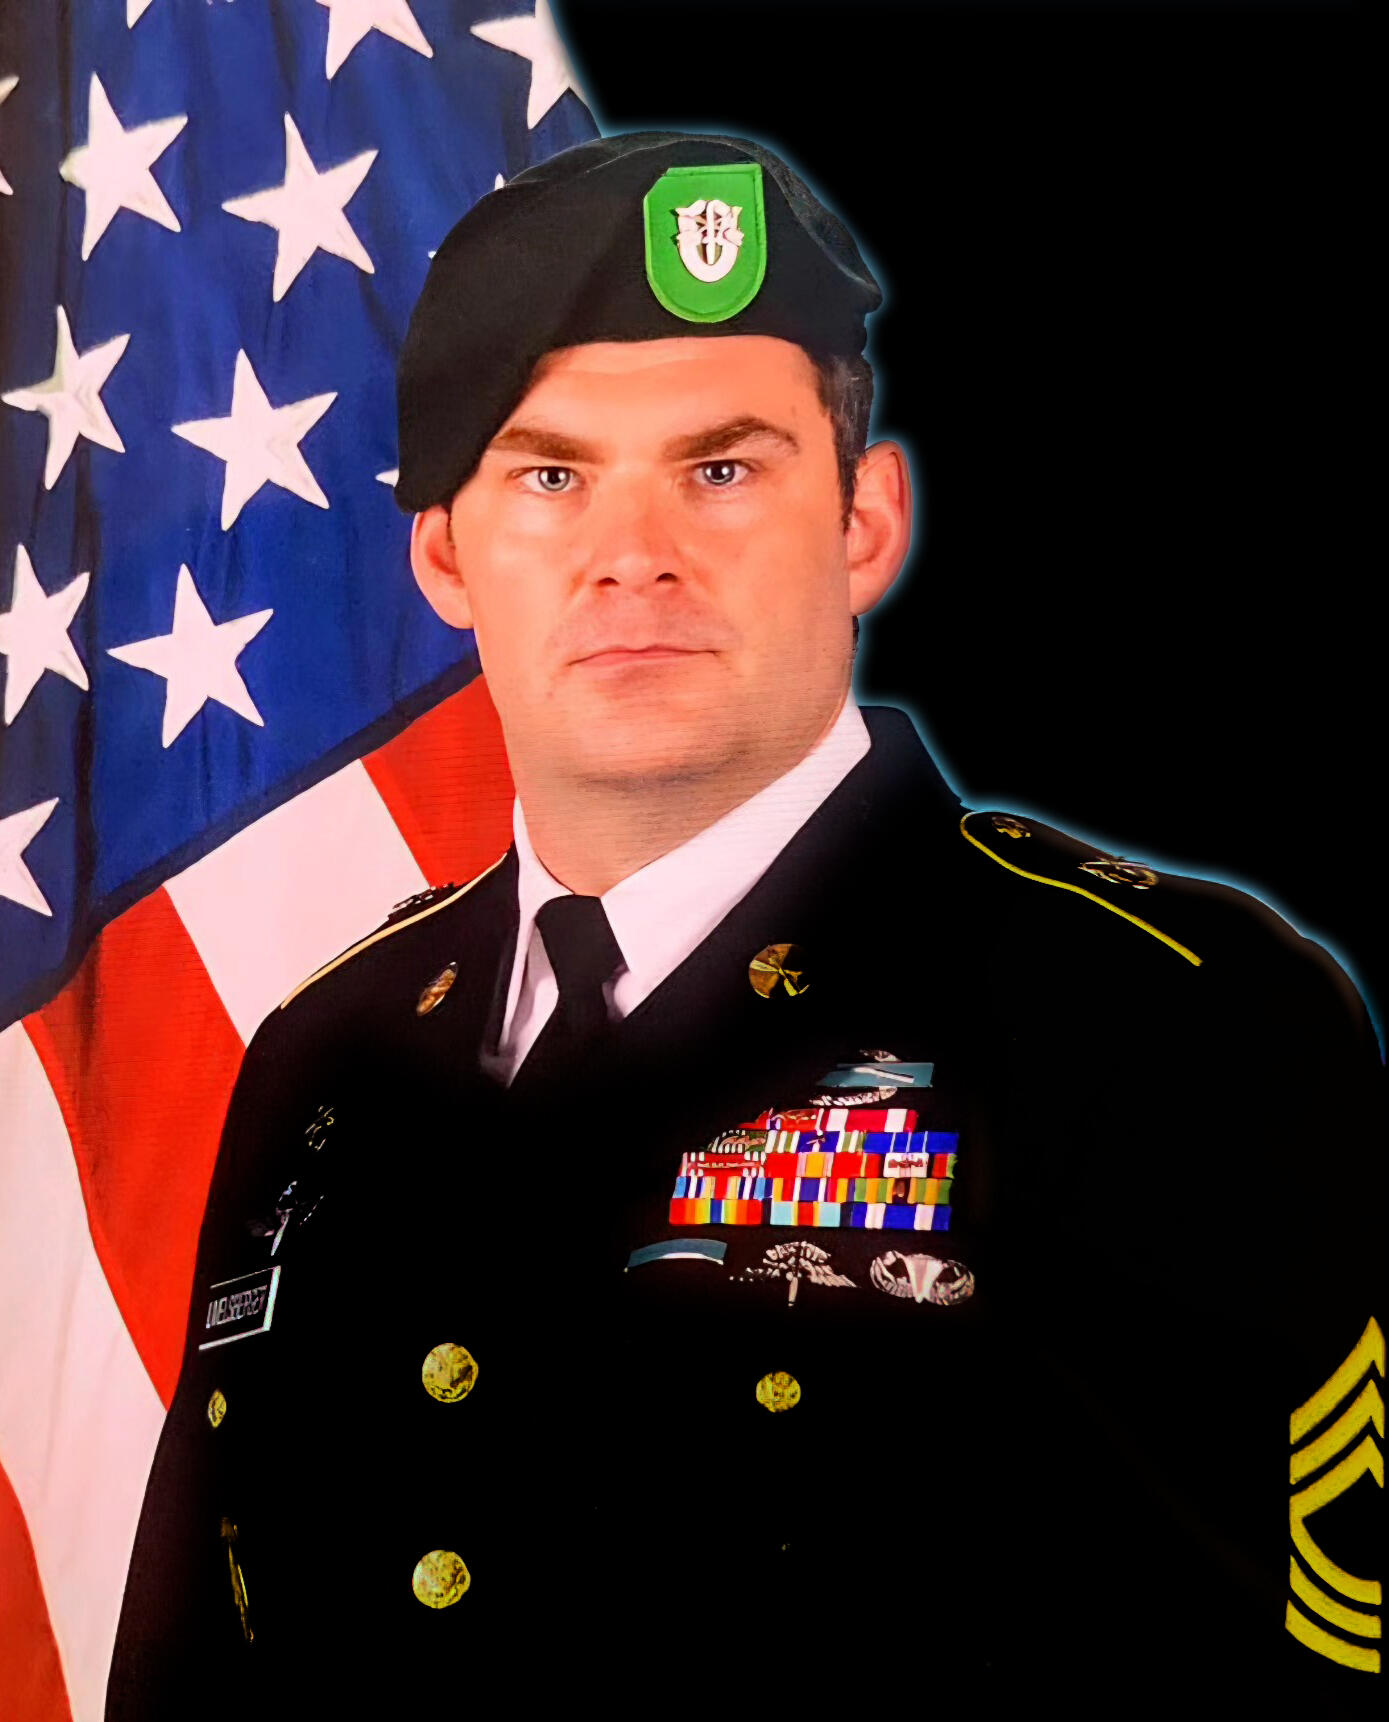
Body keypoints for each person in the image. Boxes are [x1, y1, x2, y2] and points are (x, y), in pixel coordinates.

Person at [107, 132, 1383, 1714]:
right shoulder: (327, 1054)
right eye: (551, 476)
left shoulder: (1162, 1020)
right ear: (443, 554)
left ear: (864, 523)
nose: (633, 556)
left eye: (721, 470)